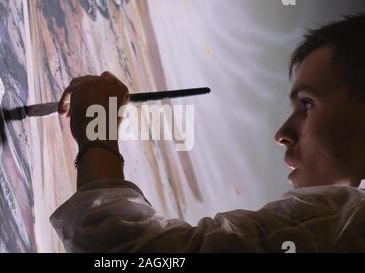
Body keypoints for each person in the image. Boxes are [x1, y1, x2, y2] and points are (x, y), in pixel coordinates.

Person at [50, 13, 365, 252]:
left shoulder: (347, 220)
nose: (282, 134)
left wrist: (99, 133)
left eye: (307, 105)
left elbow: (127, 250)